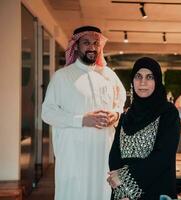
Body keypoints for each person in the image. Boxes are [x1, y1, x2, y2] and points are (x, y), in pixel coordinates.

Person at [41, 26, 126, 200]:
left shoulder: (109, 75)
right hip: (74, 157)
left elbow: (121, 98)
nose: (92, 47)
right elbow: (47, 112)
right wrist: (81, 120)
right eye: (86, 43)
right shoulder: (62, 77)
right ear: (76, 46)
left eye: (96, 43)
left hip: (103, 155)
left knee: (103, 193)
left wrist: (116, 114)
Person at [107, 57, 180, 199]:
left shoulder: (168, 113)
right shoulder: (126, 115)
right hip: (123, 196)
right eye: (138, 76)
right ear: (132, 81)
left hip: (156, 191)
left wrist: (124, 179)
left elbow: (162, 157)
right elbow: (115, 156)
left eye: (149, 77)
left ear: (157, 81)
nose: (143, 82)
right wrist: (123, 192)